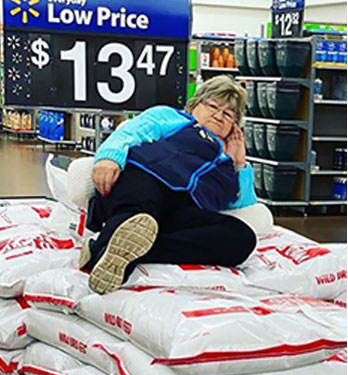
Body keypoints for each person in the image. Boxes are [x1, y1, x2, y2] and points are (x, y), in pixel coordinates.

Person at [79, 76, 258, 294]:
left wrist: (239, 162)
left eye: (228, 114)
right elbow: (130, 132)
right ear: (196, 104)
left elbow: (241, 202)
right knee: (138, 211)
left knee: (241, 238)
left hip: (182, 210)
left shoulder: (225, 159)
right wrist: (109, 157)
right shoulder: (171, 117)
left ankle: (110, 249)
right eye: (213, 106)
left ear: (234, 126)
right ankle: (113, 260)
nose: (218, 115)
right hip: (145, 178)